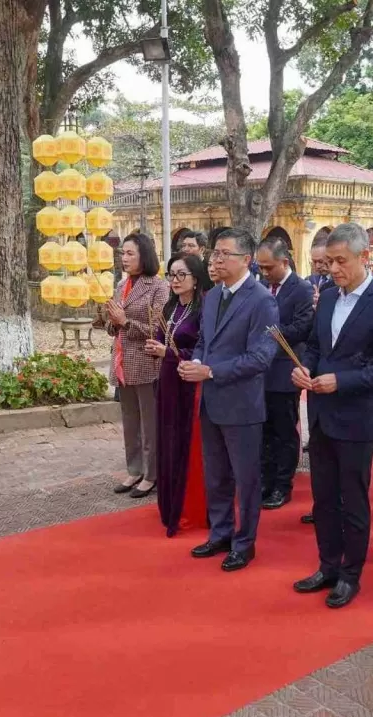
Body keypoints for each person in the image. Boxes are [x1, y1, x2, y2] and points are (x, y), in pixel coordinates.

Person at [291, 223, 373, 609]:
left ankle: (350, 575)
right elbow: (314, 345)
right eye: (329, 261)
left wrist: (341, 381)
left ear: (364, 257)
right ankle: (327, 565)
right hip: (321, 413)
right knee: (323, 498)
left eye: (341, 261)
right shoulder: (326, 297)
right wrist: (304, 367)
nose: (333, 268)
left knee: (353, 500)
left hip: (356, 418)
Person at [180, 228, 278, 571]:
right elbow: (204, 341)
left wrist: (210, 371)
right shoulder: (212, 296)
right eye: (215, 253)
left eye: (225, 254)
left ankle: (244, 542)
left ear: (246, 260)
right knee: (216, 474)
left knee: (246, 479)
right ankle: (220, 533)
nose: (216, 260)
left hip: (242, 404)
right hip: (211, 401)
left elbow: (260, 358)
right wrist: (195, 361)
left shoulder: (262, 300)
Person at [147, 254, 212, 536]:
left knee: (185, 441)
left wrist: (170, 353)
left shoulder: (204, 308)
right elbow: (162, 340)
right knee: (167, 439)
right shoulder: (170, 307)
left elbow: (203, 349)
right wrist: (156, 348)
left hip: (189, 382)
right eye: (171, 274)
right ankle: (169, 501)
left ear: (195, 278)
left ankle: (188, 506)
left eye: (181, 274)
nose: (175, 280)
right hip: (168, 382)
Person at [107, 233, 169, 499]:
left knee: (149, 423)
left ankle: (151, 474)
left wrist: (125, 322)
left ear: (145, 255)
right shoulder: (122, 285)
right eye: (123, 253)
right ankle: (134, 469)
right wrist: (110, 319)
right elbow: (113, 327)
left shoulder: (159, 287)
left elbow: (158, 330)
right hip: (123, 362)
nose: (125, 258)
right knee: (130, 422)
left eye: (130, 253)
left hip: (146, 362)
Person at [257, 237, 314, 510]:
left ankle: (283, 484)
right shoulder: (261, 287)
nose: (264, 272)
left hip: (285, 370)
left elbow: (302, 327)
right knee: (265, 430)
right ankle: (266, 481)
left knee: (284, 430)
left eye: (269, 267)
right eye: (261, 267)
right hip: (262, 370)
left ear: (284, 261)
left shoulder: (301, 289)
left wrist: (269, 334)